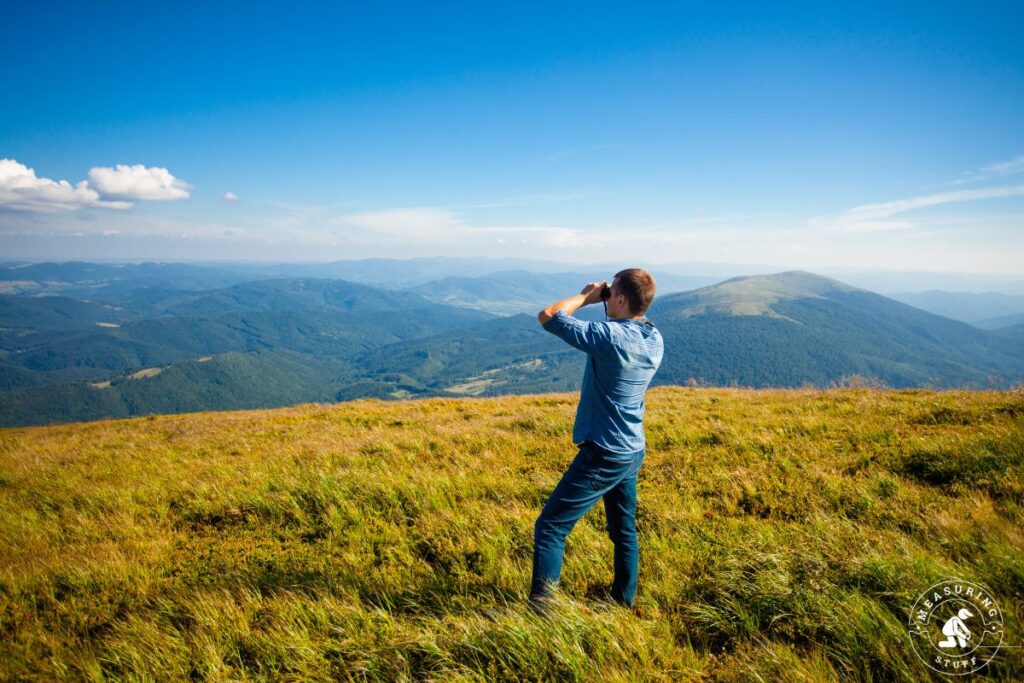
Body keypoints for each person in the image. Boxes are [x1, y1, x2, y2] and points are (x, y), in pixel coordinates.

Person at [530, 268, 664, 611]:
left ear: (619, 299)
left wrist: (587, 297)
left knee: (550, 528)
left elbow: (549, 316)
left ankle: (541, 614)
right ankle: (623, 601)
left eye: (611, 292)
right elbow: (628, 324)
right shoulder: (654, 337)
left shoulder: (610, 337)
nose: (607, 296)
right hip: (632, 449)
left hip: (603, 451)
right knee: (624, 531)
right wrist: (609, 300)